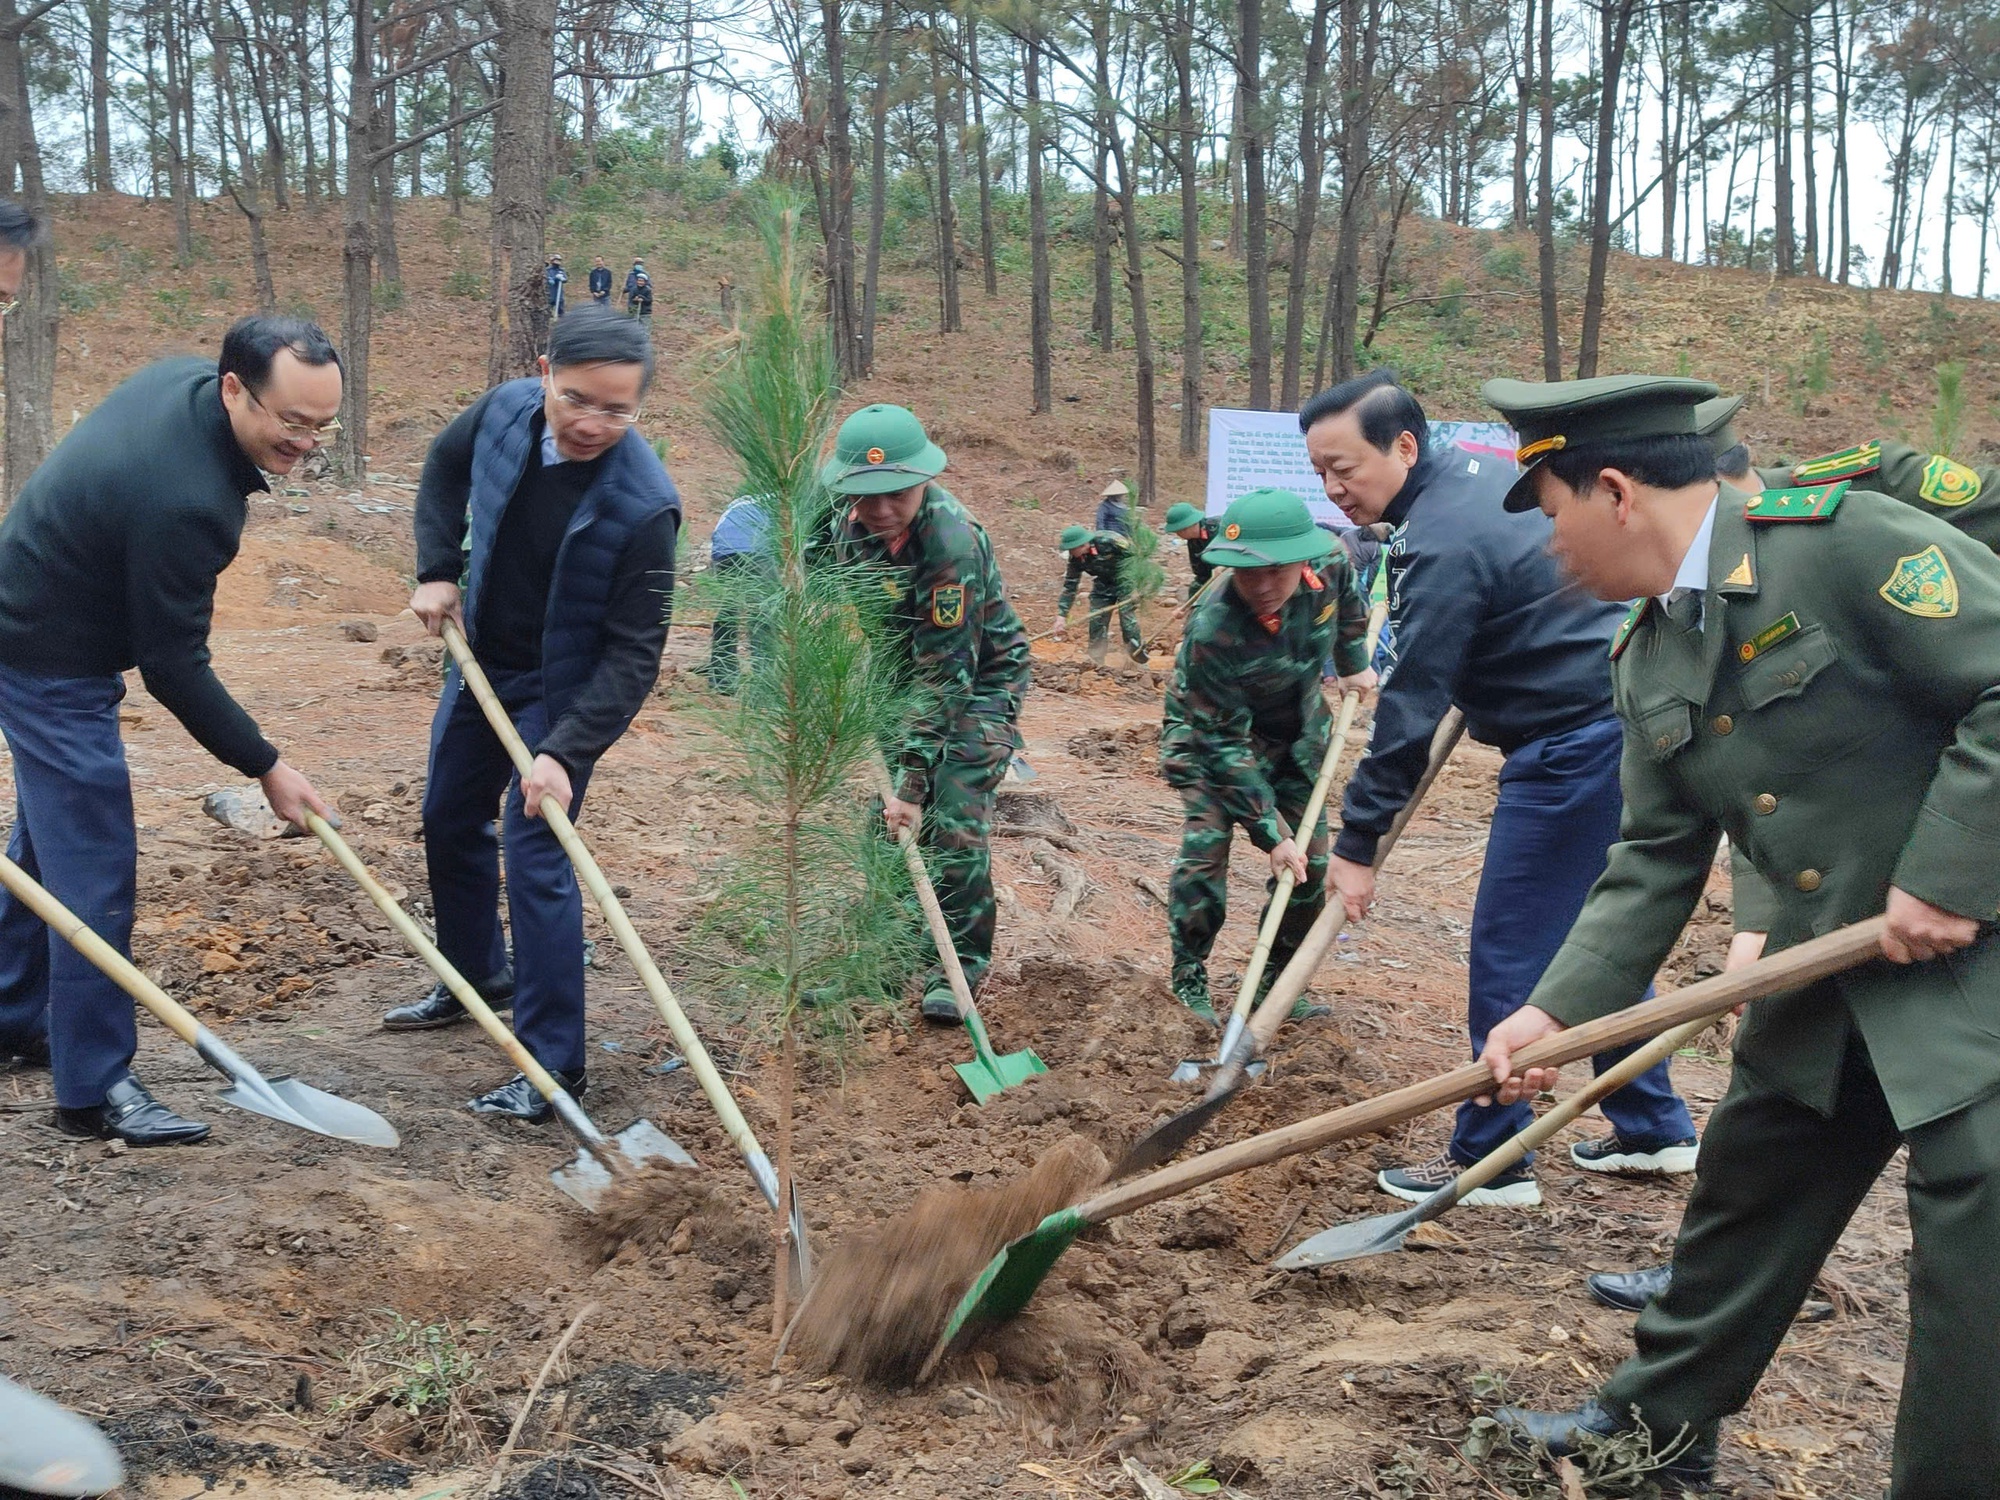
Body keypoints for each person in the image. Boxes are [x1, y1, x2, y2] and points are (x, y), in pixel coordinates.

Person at [1476, 373, 2000, 1498]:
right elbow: (1652, 859)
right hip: (1831, 963)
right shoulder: (1648, 652)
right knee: (1748, 1189)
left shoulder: (1842, 545)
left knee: (1976, 1248)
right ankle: (1647, 1439)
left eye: (1551, 513)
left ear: (1614, 491)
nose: (1549, 549)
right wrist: (1554, 1009)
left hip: (1974, 959)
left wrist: (1946, 874)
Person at [1303, 371, 1697, 1209]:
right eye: (1320, 474)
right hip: (1612, 720)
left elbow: (1409, 705)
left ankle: (1493, 1157)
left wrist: (1358, 843)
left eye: (1346, 467)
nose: (1334, 489)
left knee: (1515, 948)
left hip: (1573, 746)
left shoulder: (1438, 538)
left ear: (1404, 446)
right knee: (1591, 941)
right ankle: (1653, 1126)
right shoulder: (1471, 480)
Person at [0, 312, 341, 1145]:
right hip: (48, 653)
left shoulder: (181, 382)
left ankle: (10, 1015)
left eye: (322, 426)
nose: (303, 443)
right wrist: (265, 764)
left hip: (32, 603)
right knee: (94, 869)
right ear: (234, 387)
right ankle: (93, 1087)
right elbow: (174, 666)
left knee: (52, 844)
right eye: (290, 423)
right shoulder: (188, 499)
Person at [390, 306, 680, 1120]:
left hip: (562, 689)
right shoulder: (502, 411)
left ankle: (555, 1070)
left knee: (538, 854)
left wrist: (564, 751)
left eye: (618, 410)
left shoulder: (644, 506)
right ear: (546, 371)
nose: (594, 423)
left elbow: (633, 655)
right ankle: (475, 975)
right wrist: (439, 567)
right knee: (447, 815)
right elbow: (444, 472)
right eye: (579, 398)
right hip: (484, 658)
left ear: (640, 408)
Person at [823, 404, 1029, 1021]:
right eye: (866, 495)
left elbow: (948, 673)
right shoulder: (847, 526)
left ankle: (960, 964)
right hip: (898, 677)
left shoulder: (951, 543)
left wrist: (914, 780)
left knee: (954, 811)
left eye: (896, 493)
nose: (881, 509)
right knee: (888, 829)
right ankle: (885, 959)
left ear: (922, 479)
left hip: (979, 679)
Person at [1159, 488, 1373, 1024]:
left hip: (1297, 731)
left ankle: (1271, 985)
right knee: (1206, 851)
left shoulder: (1330, 565)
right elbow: (1223, 744)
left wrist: (1352, 662)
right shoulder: (1214, 628)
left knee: (1312, 865)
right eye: (1245, 572)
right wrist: (1269, 832)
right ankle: (1188, 978)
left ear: (1303, 558)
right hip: (1212, 738)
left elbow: (1349, 612)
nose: (1260, 586)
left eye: (1274, 570)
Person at [1053, 523, 1148, 666]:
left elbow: (1137, 558)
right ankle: (1095, 663)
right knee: (1097, 621)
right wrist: (1061, 616)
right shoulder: (1076, 559)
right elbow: (1070, 586)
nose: (1070, 553)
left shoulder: (1109, 540)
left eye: (1072, 549)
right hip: (1103, 586)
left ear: (1083, 544)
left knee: (1128, 622)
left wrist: (1138, 586)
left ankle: (1137, 660)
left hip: (1126, 583)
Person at [705, 494, 770, 693]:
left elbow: (716, 535)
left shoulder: (736, 505)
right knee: (761, 616)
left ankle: (722, 678)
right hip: (759, 553)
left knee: (728, 611)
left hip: (724, 552)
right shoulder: (778, 501)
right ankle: (765, 683)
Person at [1162, 502, 1218, 598]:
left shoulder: (1219, 530)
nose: (1178, 534)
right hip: (1210, 580)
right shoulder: (1193, 541)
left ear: (1187, 527)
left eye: (1178, 531)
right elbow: (1201, 575)